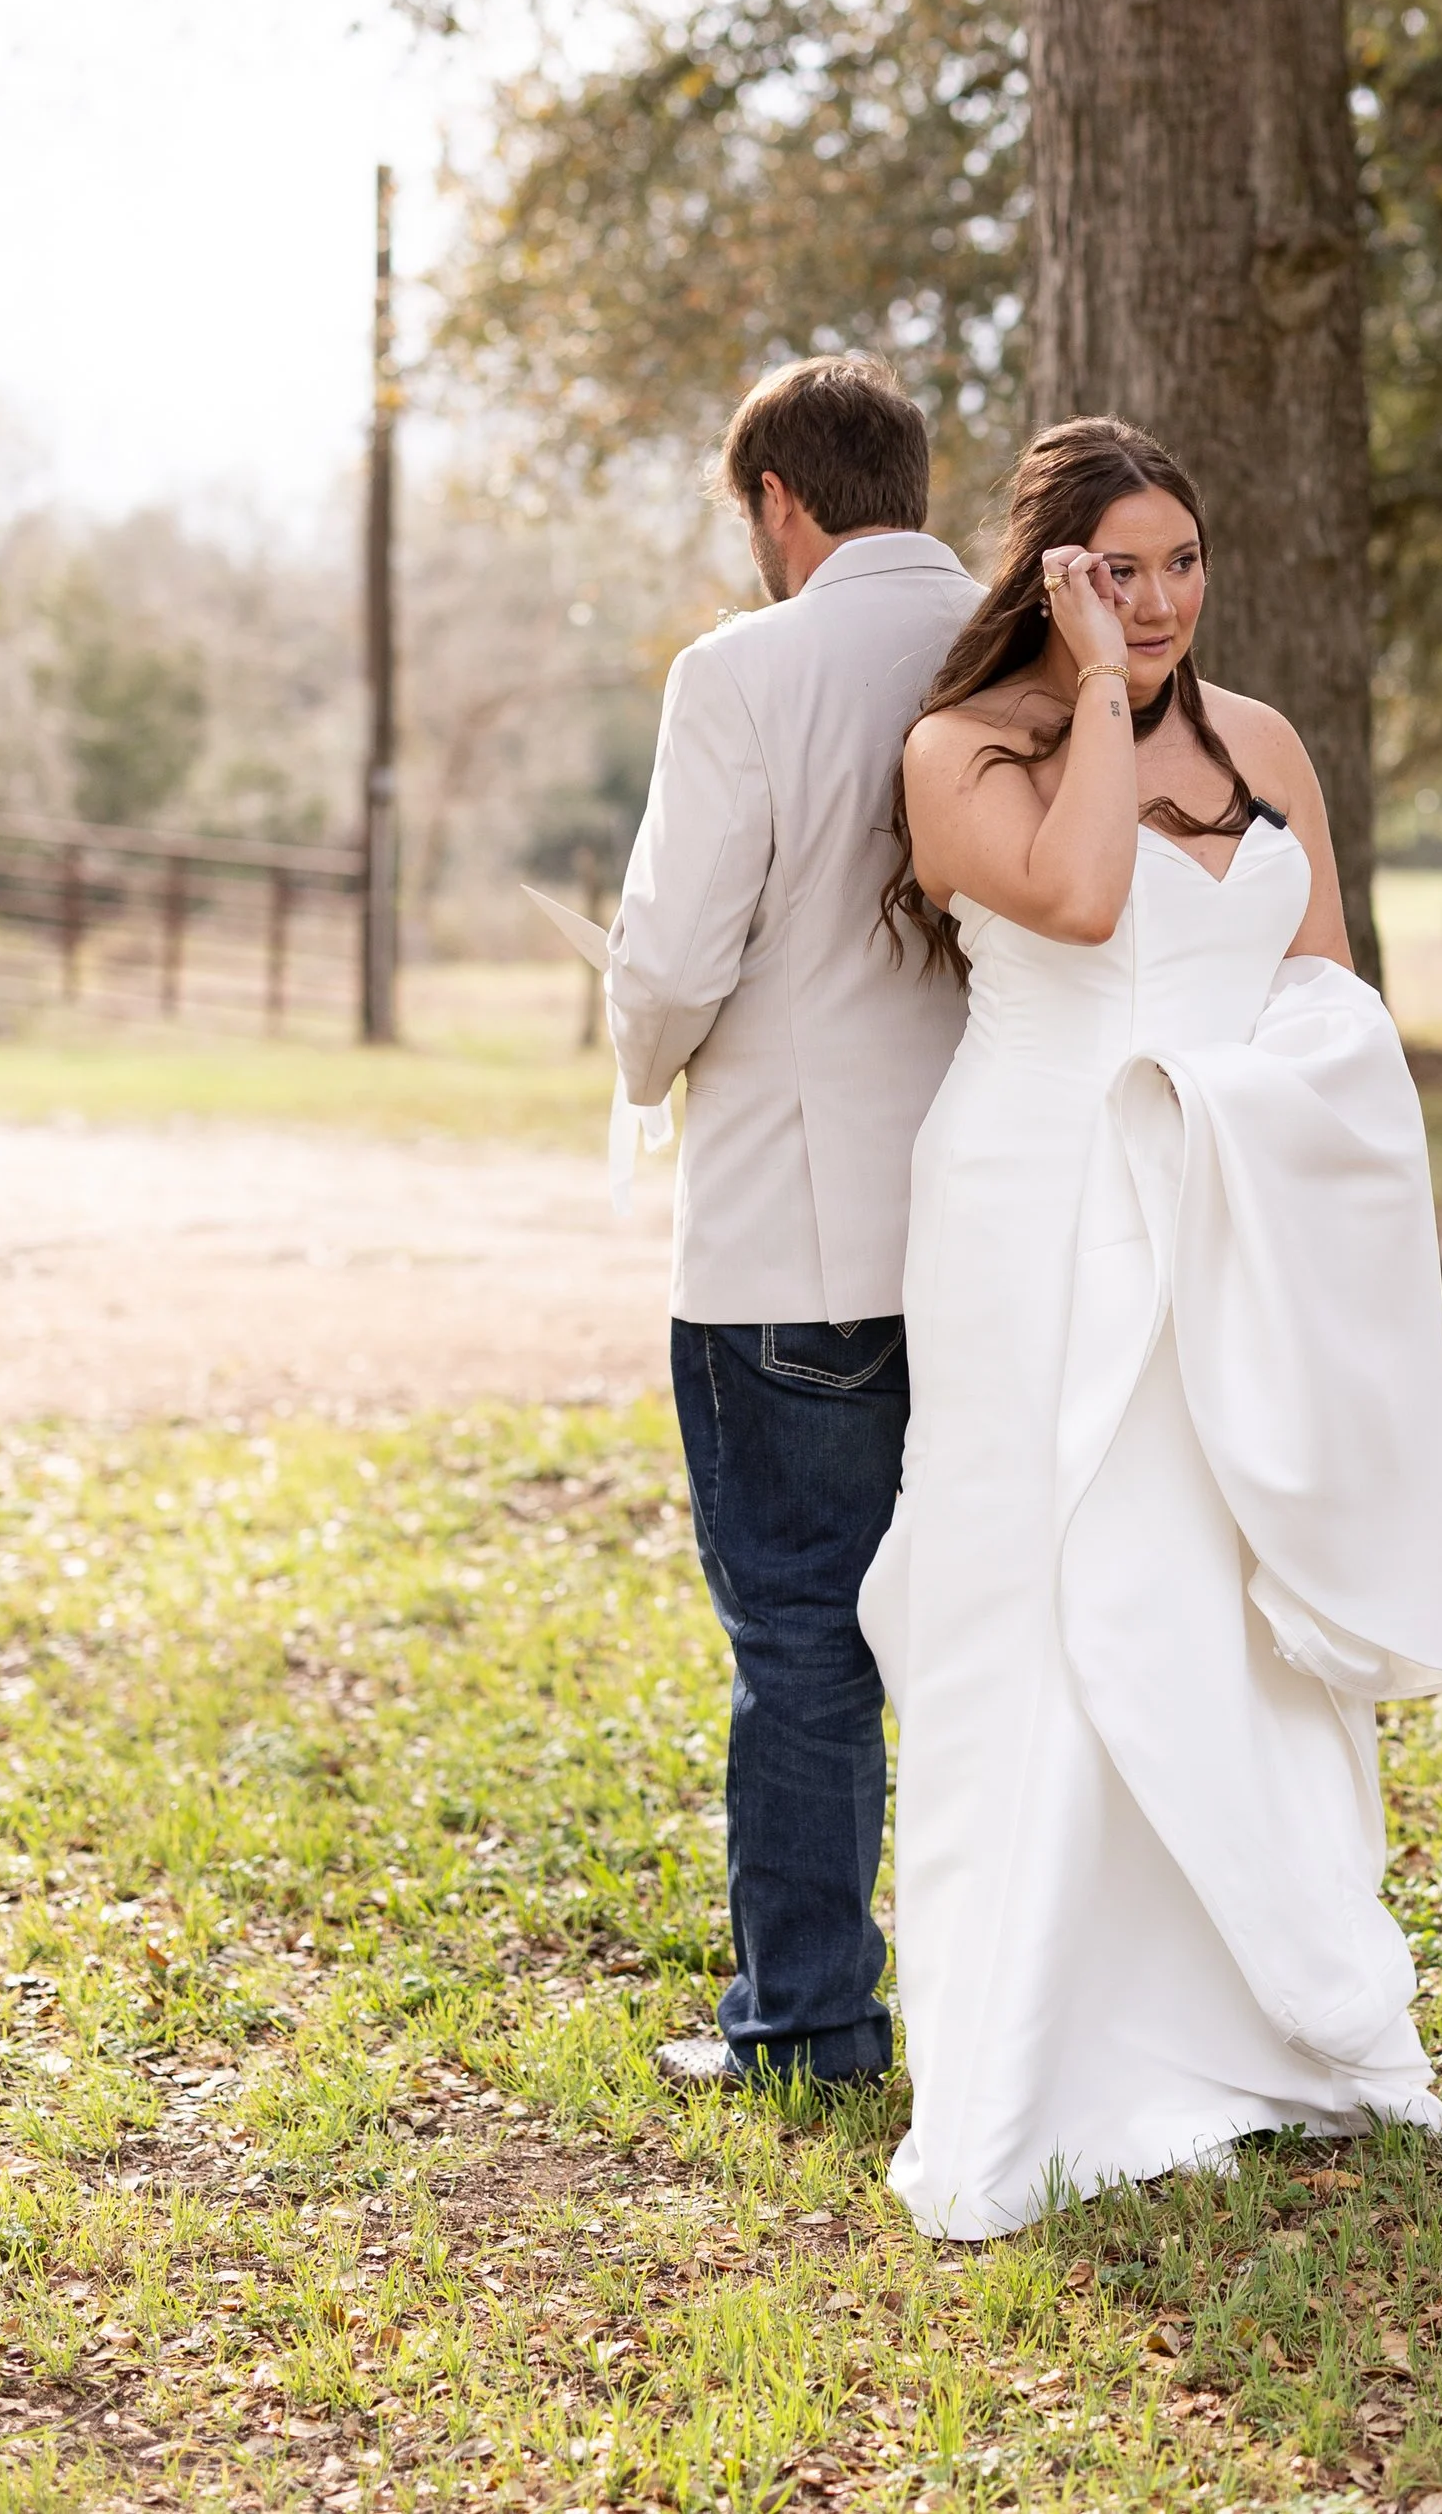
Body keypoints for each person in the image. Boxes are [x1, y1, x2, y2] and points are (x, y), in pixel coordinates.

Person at [860, 417, 1442, 2239]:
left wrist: (1273, 1126)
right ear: (1046, 575)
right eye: (1114, 568)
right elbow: (1084, 898)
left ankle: (1264, 2014)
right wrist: (1106, 697)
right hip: (1041, 1196)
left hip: (1229, 1201)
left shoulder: (1266, 742)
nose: (1157, 598)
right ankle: (1046, 2045)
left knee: (1215, 1577)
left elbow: (1327, 984)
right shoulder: (959, 748)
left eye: (1180, 563)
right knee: (1061, 1586)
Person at [605, 353, 981, 2086]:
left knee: (805, 1631)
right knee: (994, 1614)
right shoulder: (1019, 647)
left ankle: (811, 2023)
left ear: (779, 502)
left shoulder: (742, 670)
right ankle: (1008, 2003)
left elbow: (674, 960)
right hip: (1003, 1218)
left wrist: (634, 1045)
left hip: (795, 1229)